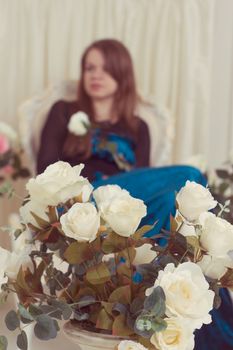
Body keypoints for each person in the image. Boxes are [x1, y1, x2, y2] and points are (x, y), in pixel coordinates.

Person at [37, 39, 233, 350]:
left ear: (121, 73)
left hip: (125, 201)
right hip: (83, 200)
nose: (95, 75)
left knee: (173, 203)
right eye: (89, 68)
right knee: (190, 176)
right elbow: (45, 170)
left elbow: (143, 195)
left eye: (105, 68)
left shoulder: (137, 125)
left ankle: (184, 304)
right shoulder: (63, 112)